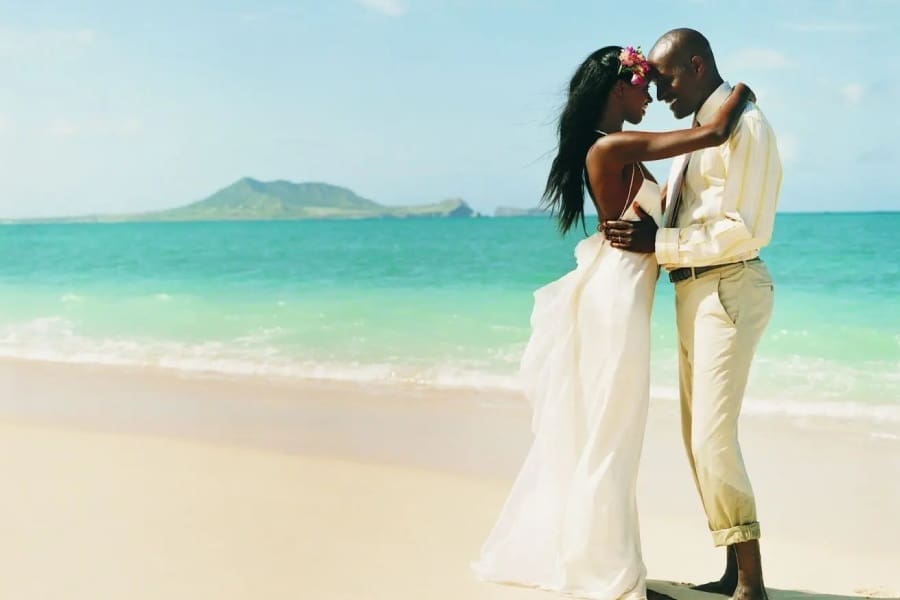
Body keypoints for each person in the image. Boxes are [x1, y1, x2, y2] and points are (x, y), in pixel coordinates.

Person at [472, 44, 753, 600]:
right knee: (612, 436)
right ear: (616, 89)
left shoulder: (622, 150)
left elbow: (670, 200)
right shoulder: (617, 146)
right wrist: (740, 92)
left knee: (612, 433)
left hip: (622, 299)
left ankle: (606, 562)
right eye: (642, 83)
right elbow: (715, 133)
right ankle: (613, 575)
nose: (650, 94)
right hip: (614, 304)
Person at [604, 29, 782, 600]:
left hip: (729, 286)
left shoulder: (747, 127)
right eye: (650, 82)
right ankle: (733, 569)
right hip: (693, 291)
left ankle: (751, 582)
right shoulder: (701, 130)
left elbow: (746, 229)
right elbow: (679, 211)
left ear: (698, 66)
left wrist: (660, 244)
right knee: (695, 437)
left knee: (711, 438)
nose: (658, 92)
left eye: (667, 79)